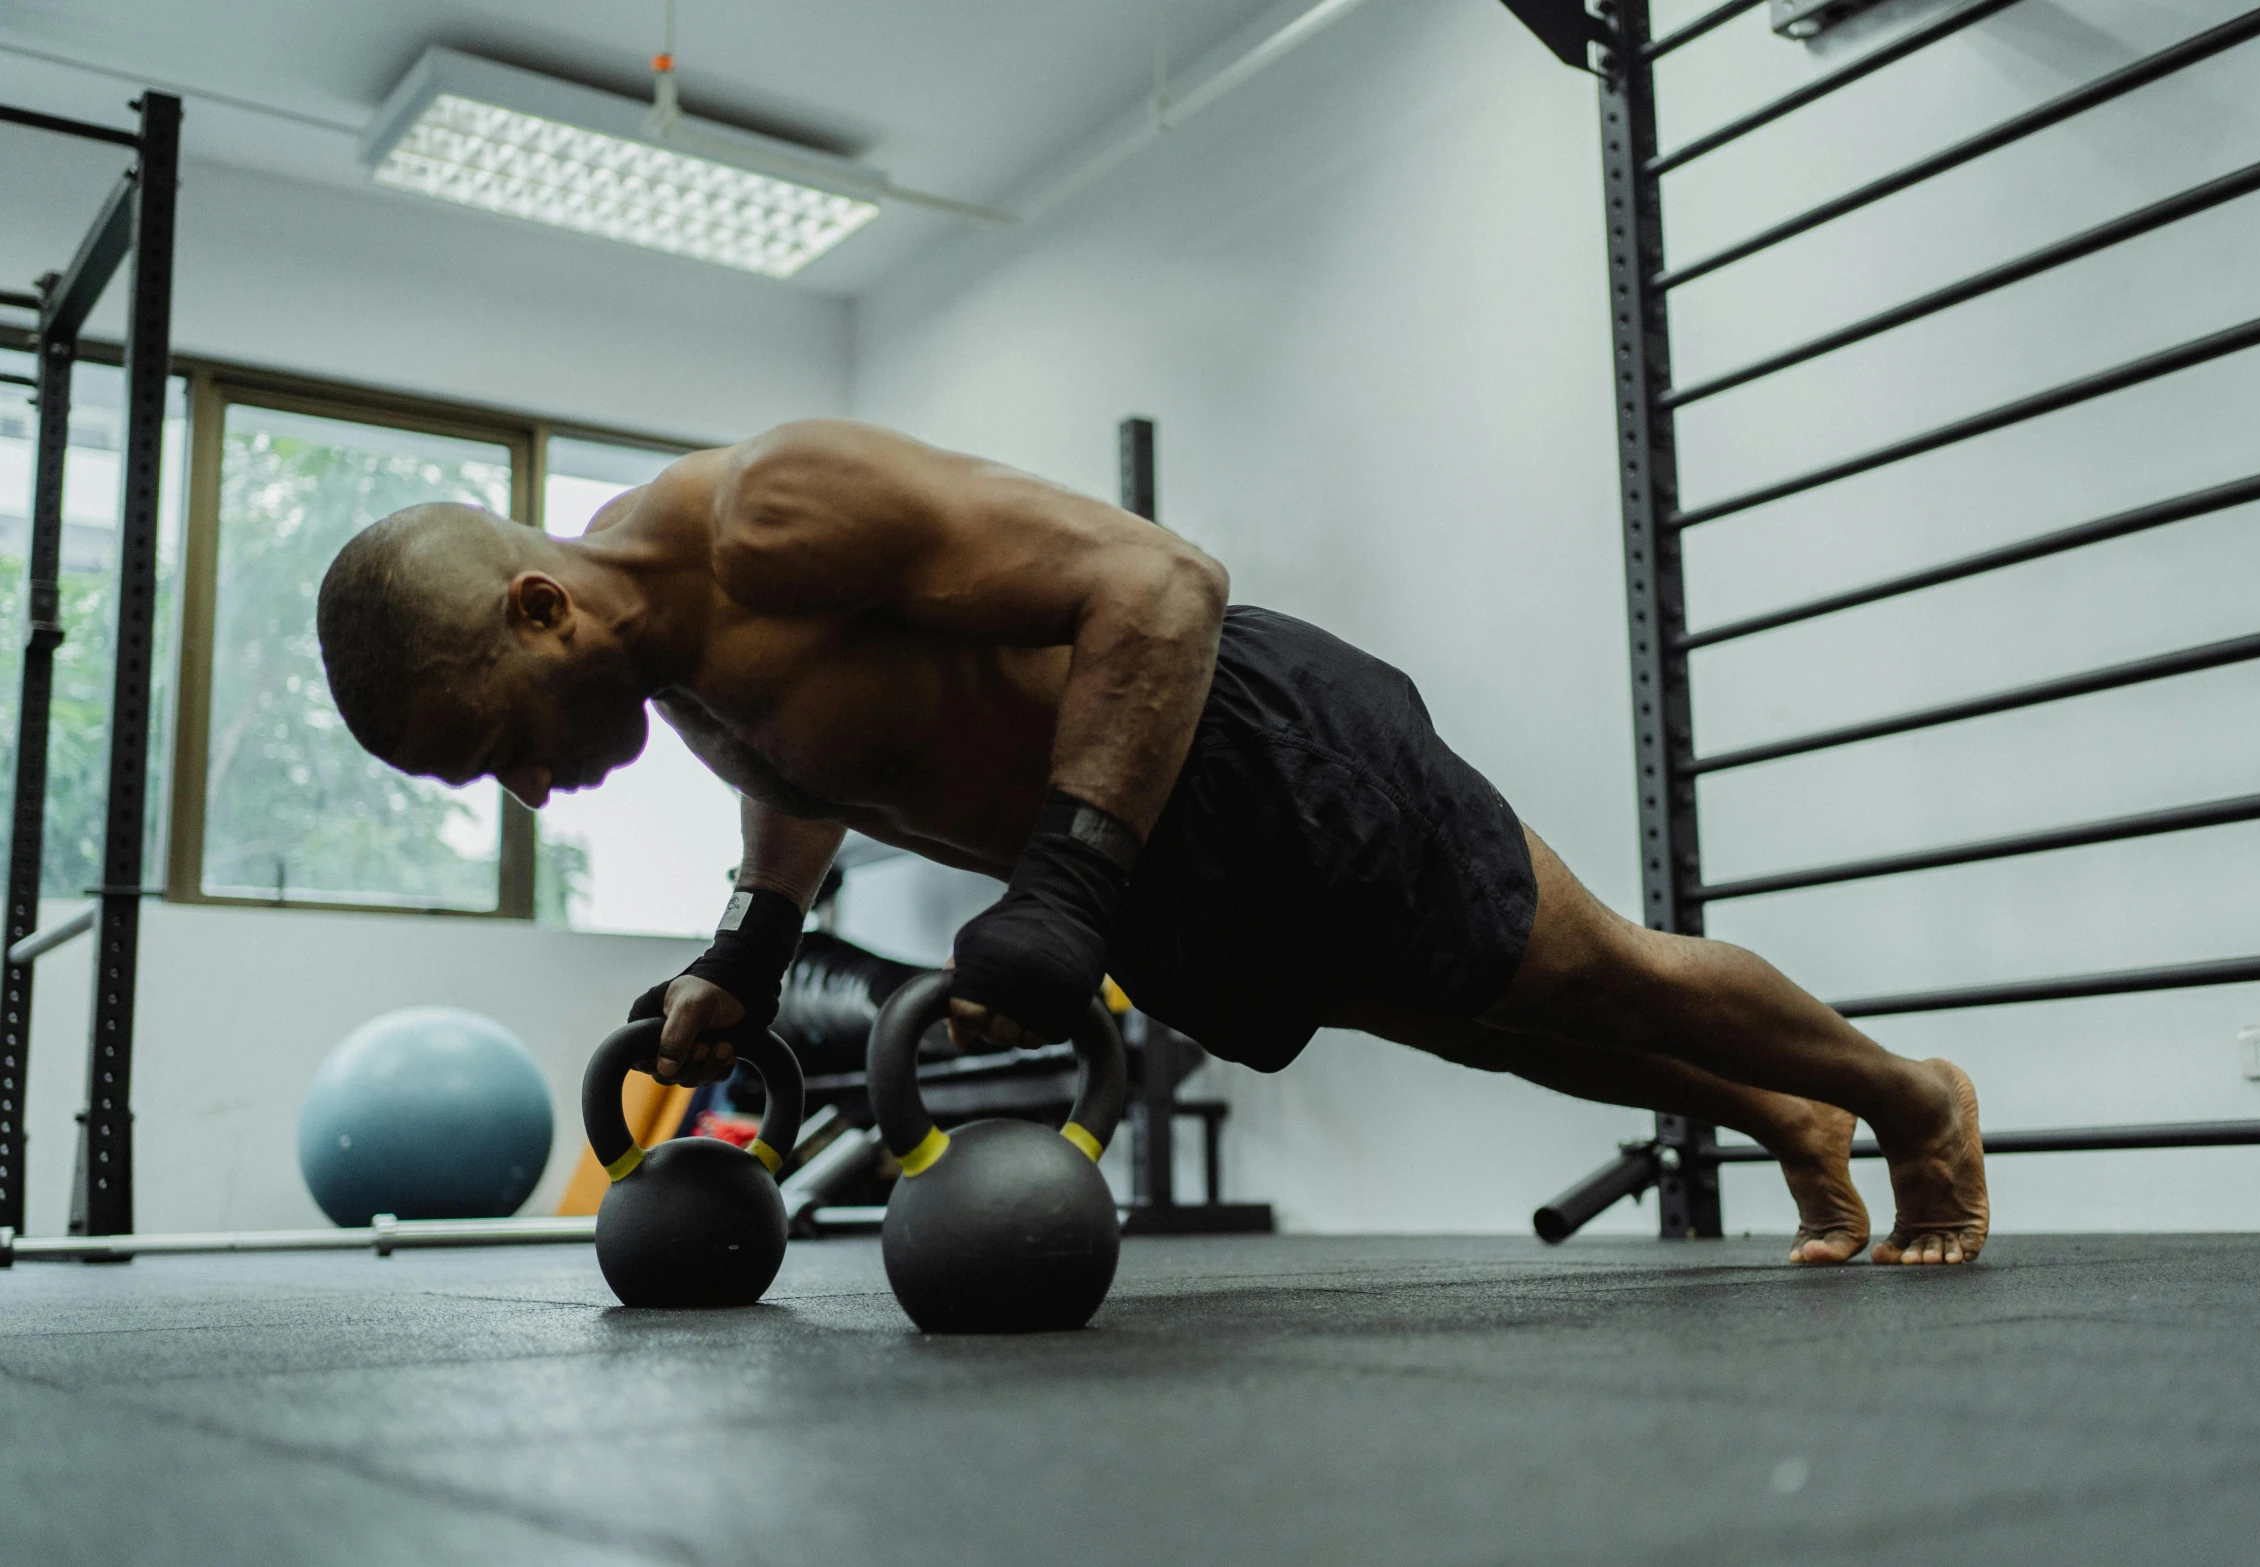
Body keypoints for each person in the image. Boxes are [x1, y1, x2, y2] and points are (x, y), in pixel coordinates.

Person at [316, 419, 1987, 1265]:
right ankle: (1782, 1113)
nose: (532, 795)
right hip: (1136, 865)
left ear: (541, 612)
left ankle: (1910, 1097)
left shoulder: (776, 509)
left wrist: (1063, 885)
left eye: (501, 750)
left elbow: (1160, 584)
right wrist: (749, 950)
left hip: (1243, 751)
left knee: (1588, 967)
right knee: (1489, 1023)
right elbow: (804, 767)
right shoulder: (657, 641)